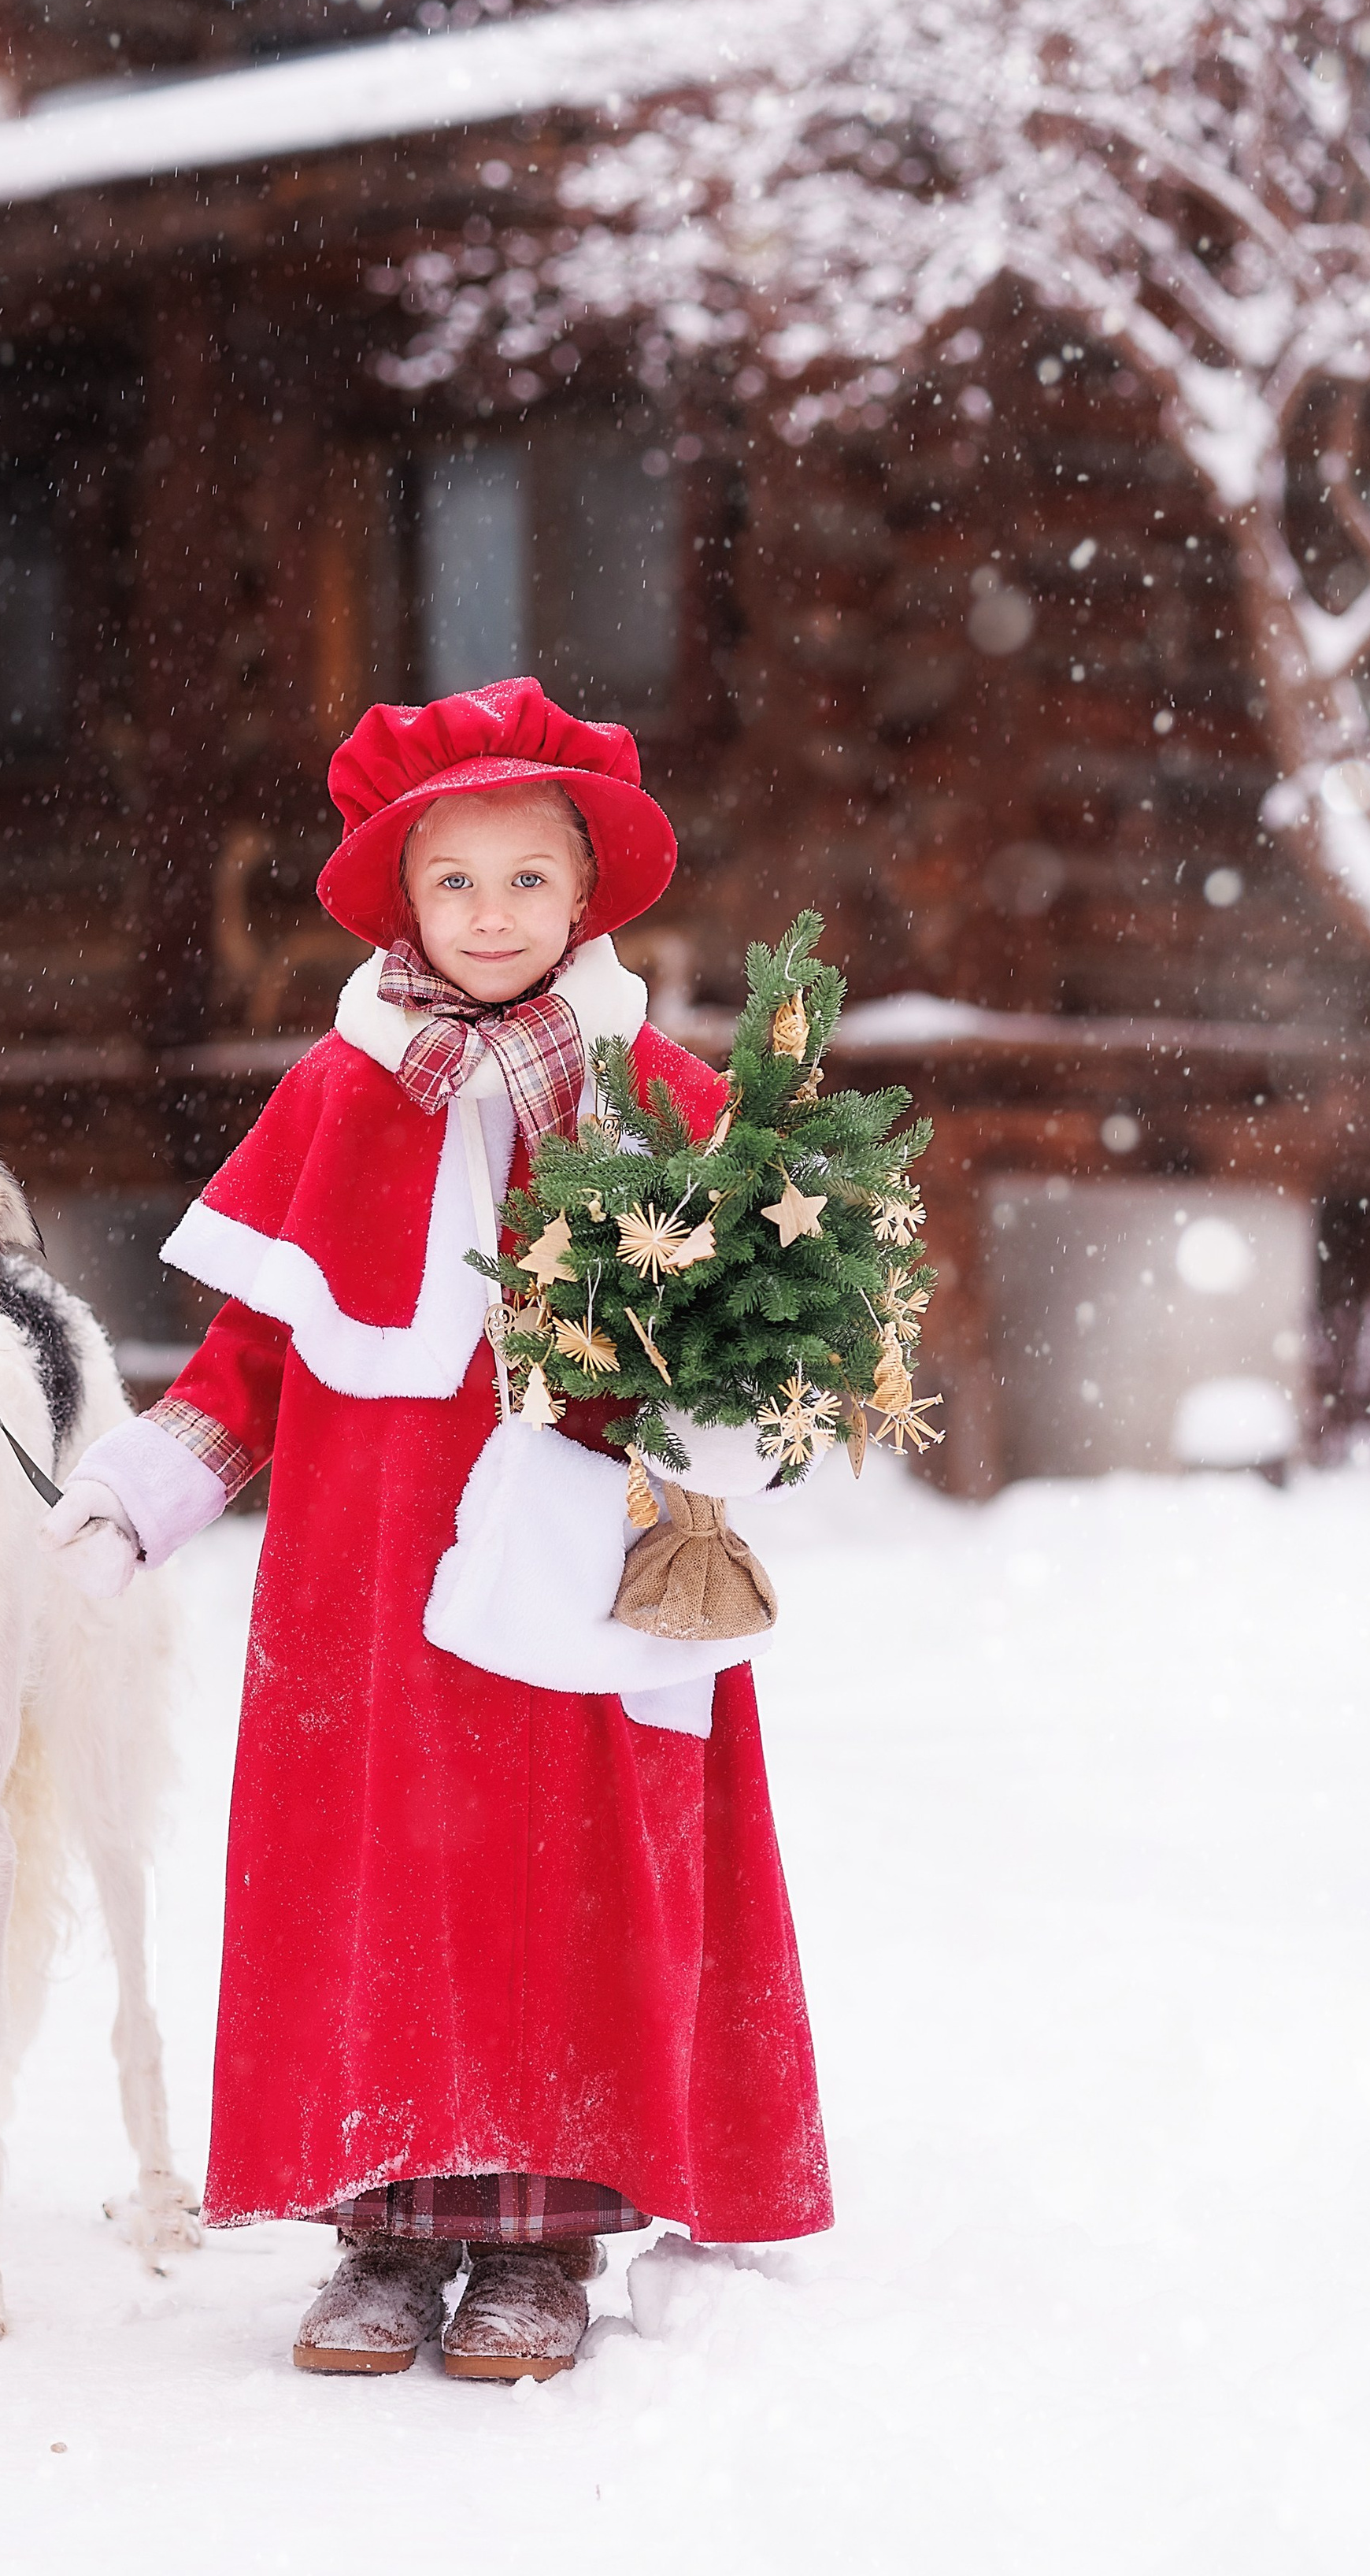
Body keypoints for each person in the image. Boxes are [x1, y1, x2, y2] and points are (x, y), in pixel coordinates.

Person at [46, 677, 831, 2381]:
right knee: (381, 1881)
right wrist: (136, 1495)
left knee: (565, 1878)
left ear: (586, 892)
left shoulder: (661, 1101)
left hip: (585, 1559)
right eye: (453, 880)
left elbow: (776, 1329)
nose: (489, 914)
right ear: (401, 897)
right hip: (368, 1574)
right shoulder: (338, 1097)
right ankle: (387, 2231)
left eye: (527, 879)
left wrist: (720, 1430)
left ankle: (541, 2241)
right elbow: (254, 1356)